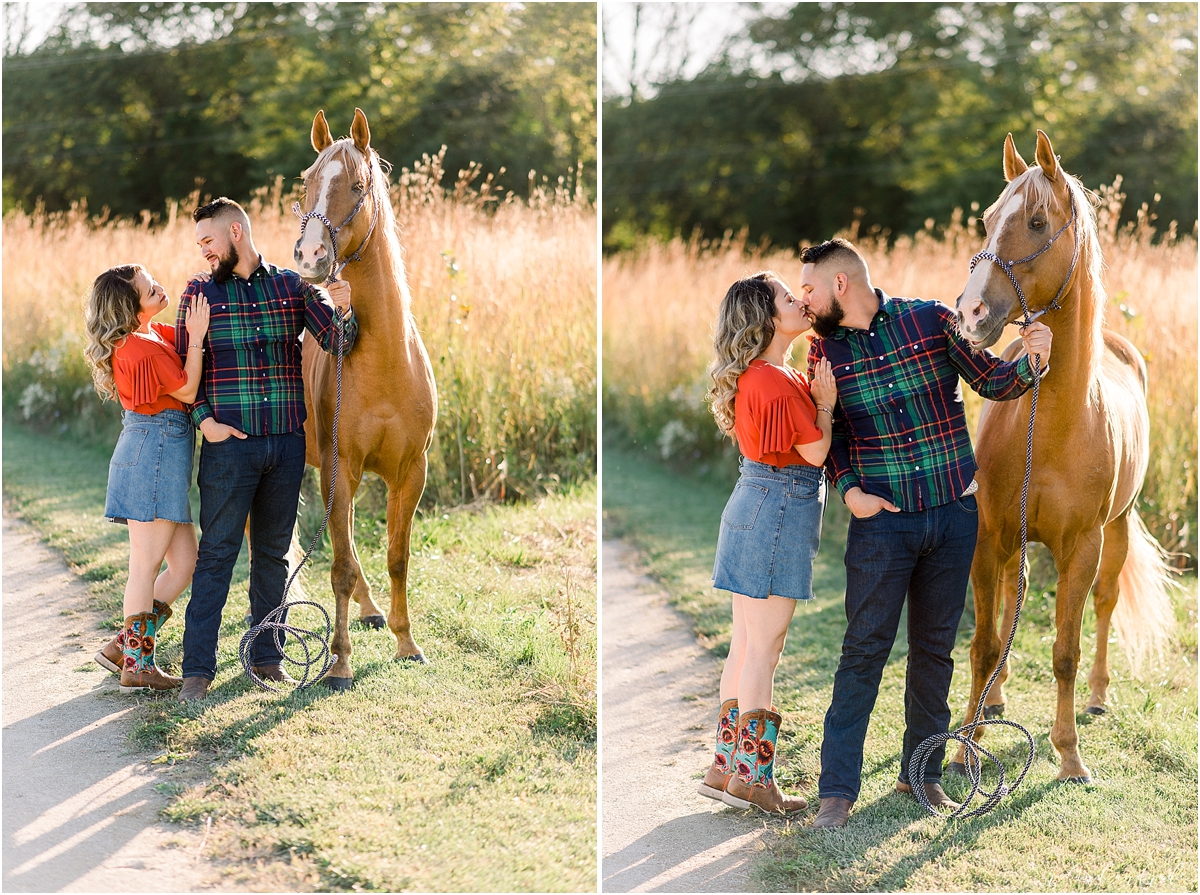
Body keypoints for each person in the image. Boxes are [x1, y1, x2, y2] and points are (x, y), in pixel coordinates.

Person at [798, 238, 1052, 829]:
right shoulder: (823, 355)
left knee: (934, 652)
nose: (803, 298)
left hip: (952, 518)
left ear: (841, 285)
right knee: (863, 652)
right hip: (882, 526)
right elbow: (827, 435)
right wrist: (849, 489)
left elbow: (993, 381)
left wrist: (1032, 361)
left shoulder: (930, 320)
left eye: (809, 287)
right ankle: (836, 791)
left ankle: (924, 775)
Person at [173, 197, 357, 702]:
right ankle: (197, 672)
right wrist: (203, 420)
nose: (204, 252)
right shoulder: (198, 294)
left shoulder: (292, 286)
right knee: (217, 555)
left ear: (236, 232)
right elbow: (179, 377)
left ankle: (268, 657)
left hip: (285, 445)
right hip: (228, 450)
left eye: (208, 241)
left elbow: (338, 343)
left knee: (272, 555)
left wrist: (343, 308)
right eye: (200, 245)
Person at [698, 271, 839, 815]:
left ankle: (725, 766)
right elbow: (815, 454)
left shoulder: (759, 376)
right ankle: (755, 780)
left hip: (750, 502)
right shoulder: (776, 382)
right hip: (780, 509)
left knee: (744, 642)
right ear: (767, 318)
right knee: (765, 648)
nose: (800, 301)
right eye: (788, 297)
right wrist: (824, 405)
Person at [85, 264, 210, 692]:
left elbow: (192, 340)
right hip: (153, 452)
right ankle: (138, 664)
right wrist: (194, 338)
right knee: (144, 565)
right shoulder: (139, 347)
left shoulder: (152, 336)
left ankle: (124, 646)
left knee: (186, 564)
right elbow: (189, 390)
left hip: (160, 453)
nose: (158, 285)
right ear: (129, 305)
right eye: (147, 287)